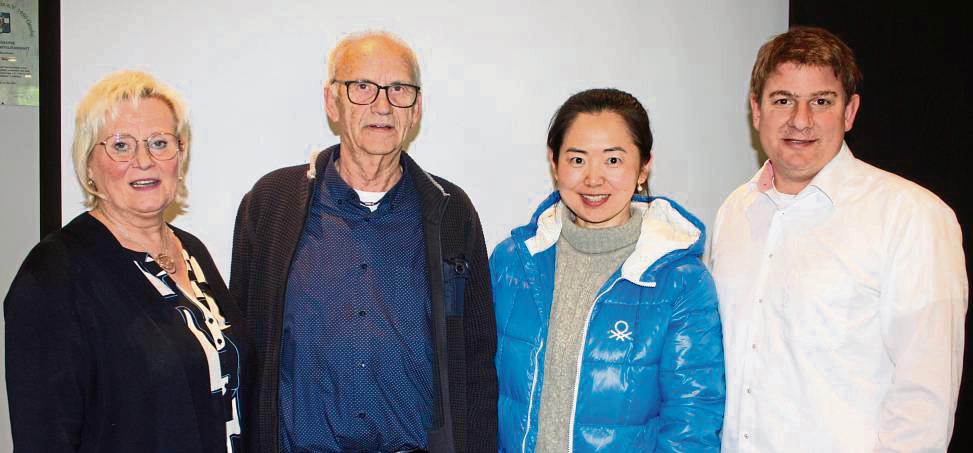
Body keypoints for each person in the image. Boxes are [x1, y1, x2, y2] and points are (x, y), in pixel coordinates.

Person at [230, 31, 497, 453]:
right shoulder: (271, 204)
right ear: (332, 102)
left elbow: (477, 359)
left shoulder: (451, 212)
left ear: (417, 108)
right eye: (362, 88)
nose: (383, 105)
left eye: (399, 90)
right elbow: (242, 347)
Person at [711, 26, 968, 452]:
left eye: (821, 101)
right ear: (756, 111)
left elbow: (925, 399)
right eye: (783, 100)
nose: (801, 120)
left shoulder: (913, 217)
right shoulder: (733, 212)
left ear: (849, 112)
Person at [4, 70, 246, 452]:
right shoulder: (53, 274)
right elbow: (44, 437)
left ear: (180, 157)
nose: (144, 160)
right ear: (88, 164)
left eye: (160, 143)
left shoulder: (192, 252)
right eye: (120, 145)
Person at [491, 88, 725, 452]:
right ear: (554, 163)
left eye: (613, 160)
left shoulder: (681, 283)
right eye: (578, 160)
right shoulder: (513, 263)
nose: (594, 179)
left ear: (644, 166)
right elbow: (479, 390)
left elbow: (692, 421)